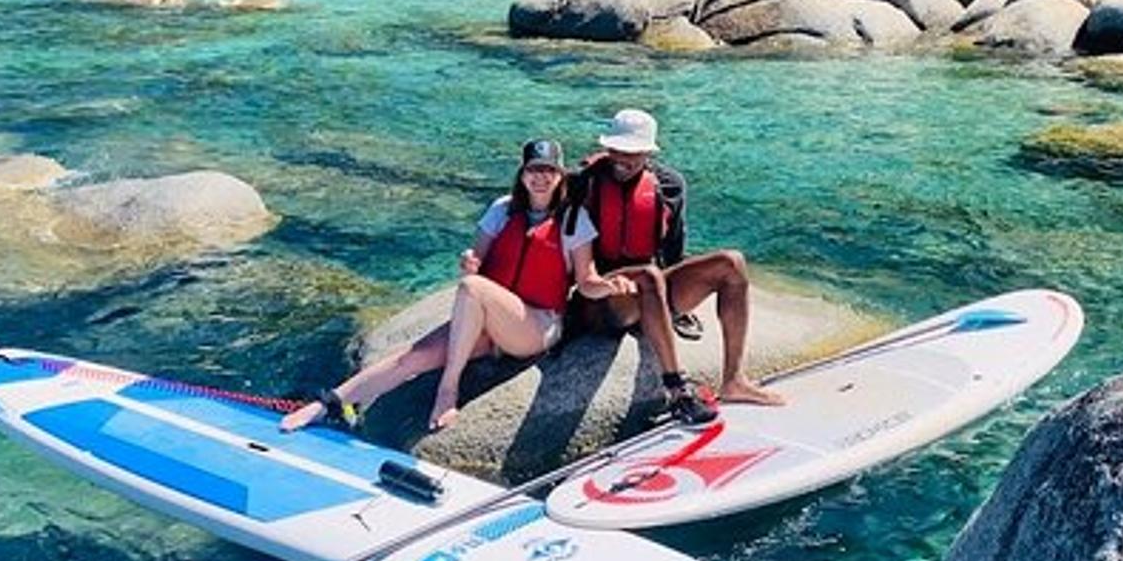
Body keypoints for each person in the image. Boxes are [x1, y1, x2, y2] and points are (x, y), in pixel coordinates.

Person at [281, 138, 625, 434]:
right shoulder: (501, 211)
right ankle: (327, 404)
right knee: (411, 358)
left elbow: (587, 281)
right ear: (522, 174)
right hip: (486, 325)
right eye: (534, 169)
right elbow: (474, 262)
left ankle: (449, 387)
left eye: (549, 170)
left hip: (535, 326)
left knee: (473, 288)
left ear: (560, 175)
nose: (541, 177)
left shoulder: (573, 221)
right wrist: (468, 262)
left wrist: (609, 287)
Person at [570, 109, 786, 422]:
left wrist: (679, 307)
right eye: (616, 149)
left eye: (631, 152)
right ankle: (677, 390)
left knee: (732, 263)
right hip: (604, 300)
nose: (621, 158)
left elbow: (673, 251)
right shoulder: (583, 183)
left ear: (648, 152)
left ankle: (734, 380)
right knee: (648, 275)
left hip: (653, 291)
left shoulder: (669, 185)